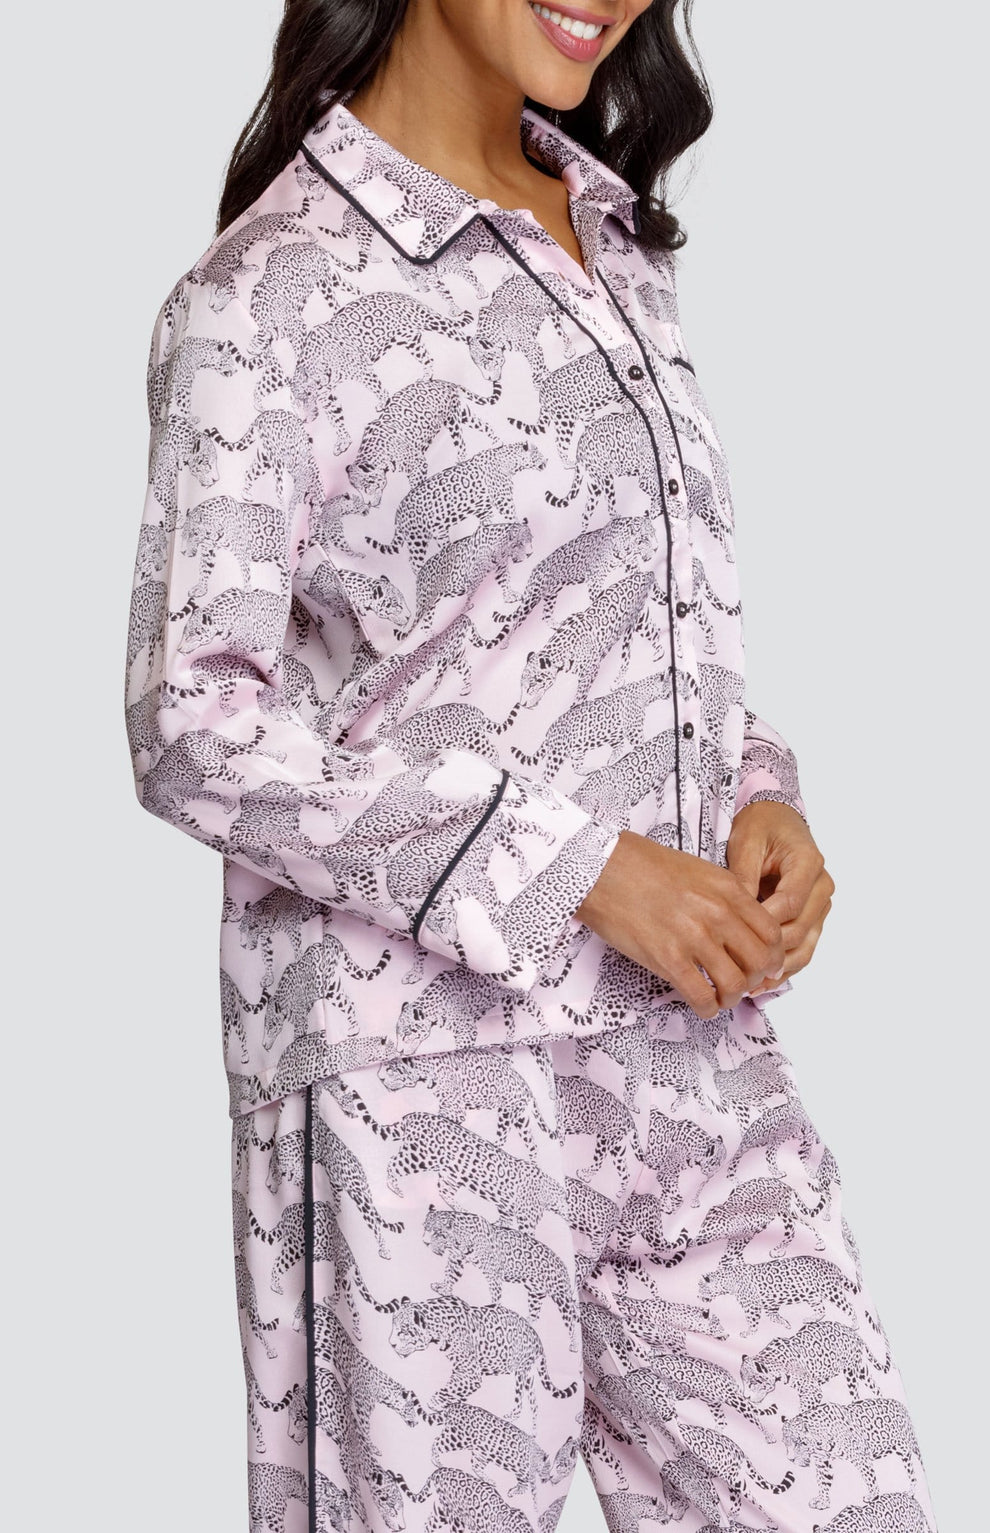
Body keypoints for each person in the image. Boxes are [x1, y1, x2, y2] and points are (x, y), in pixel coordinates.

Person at [124, 2, 940, 1529]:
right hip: (417, 1078)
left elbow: (611, 618)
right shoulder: (271, 292)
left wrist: (757, 792)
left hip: (683, 1053)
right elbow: (190, 719)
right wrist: (575, 867)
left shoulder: (607, 238)